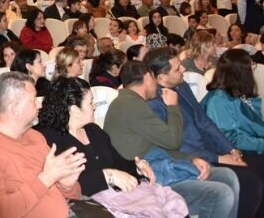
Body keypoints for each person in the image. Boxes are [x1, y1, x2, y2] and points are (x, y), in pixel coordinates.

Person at [103, 60, 240, 218]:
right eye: (154, 78)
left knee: (228, 176)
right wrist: (173, 106)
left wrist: (192, 158)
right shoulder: (131, 105)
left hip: (159, 164)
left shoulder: (131, 102)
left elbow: (162, 145)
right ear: (147, 78)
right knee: (221, 194)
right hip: (149, 178)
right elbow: (173, 141)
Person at [37, 77, 187, 217]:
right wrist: (106, 176)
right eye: (90, 103)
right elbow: (65, 187)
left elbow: (118, 163)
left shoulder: (94, 131)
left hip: (120, 196)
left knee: (169, 200)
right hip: (94, 206)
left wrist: (137, 168)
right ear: (75, 110)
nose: (94, 107)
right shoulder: (50, 141)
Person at [145, 47, 264, 217]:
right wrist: (219, 158)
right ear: (162, 77)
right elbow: (176, 145)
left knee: (258, 171)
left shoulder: (181, 86)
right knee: (251, 183)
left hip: (210, 149)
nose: (184, 69)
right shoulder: (153, 103)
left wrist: (230, 149)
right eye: (178, 68)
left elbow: (204, 121)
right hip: (190, 160)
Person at [0, 72, 86, 218]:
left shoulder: (35, 137)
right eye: (33, 100)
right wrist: (47, 177)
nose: (40, 104)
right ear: (15, 108)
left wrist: (66, 186)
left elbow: (70, 195)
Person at [203, 49, 264, 155]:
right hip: (239, 153)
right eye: (251, 66)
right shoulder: (219, 99)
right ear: (240, 72)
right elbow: (229, 138)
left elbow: (254, 126)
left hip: (253, 146)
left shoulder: (237, 92)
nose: (253, 69)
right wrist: (261, 144)